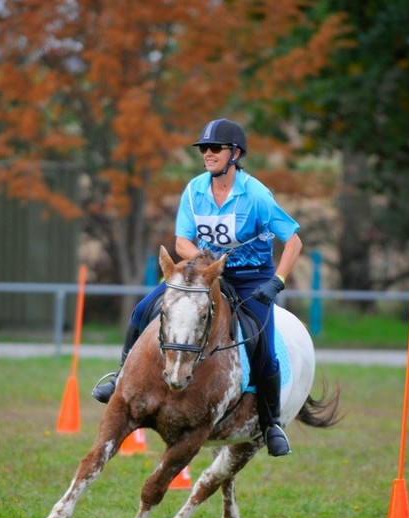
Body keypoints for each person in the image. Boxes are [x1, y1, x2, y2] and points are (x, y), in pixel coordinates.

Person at [91, 118, 303, 457]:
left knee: (262, 345)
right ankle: (119, 380)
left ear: (235, 153)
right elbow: (181, 242)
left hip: (250, 278)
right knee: (142, 310)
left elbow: (293, 242)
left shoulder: (257, 195)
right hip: (205, 276)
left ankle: (271, 422)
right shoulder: (195, 190)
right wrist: (205, 266)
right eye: (204, 148)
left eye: (214, 148)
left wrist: (276, 281)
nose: (207, 153)